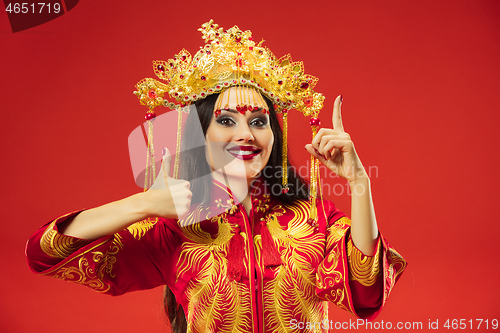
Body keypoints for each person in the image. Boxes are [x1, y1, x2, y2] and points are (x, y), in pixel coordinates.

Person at [26, 20, 406, 333]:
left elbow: (367, 290)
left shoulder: (313, 216)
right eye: (226, 121)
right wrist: (142, 203)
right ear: (200, 135)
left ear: (275, 136)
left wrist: (360, 183)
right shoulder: (175, 229)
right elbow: (45, 252)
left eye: (259, 122)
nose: (246, 134)